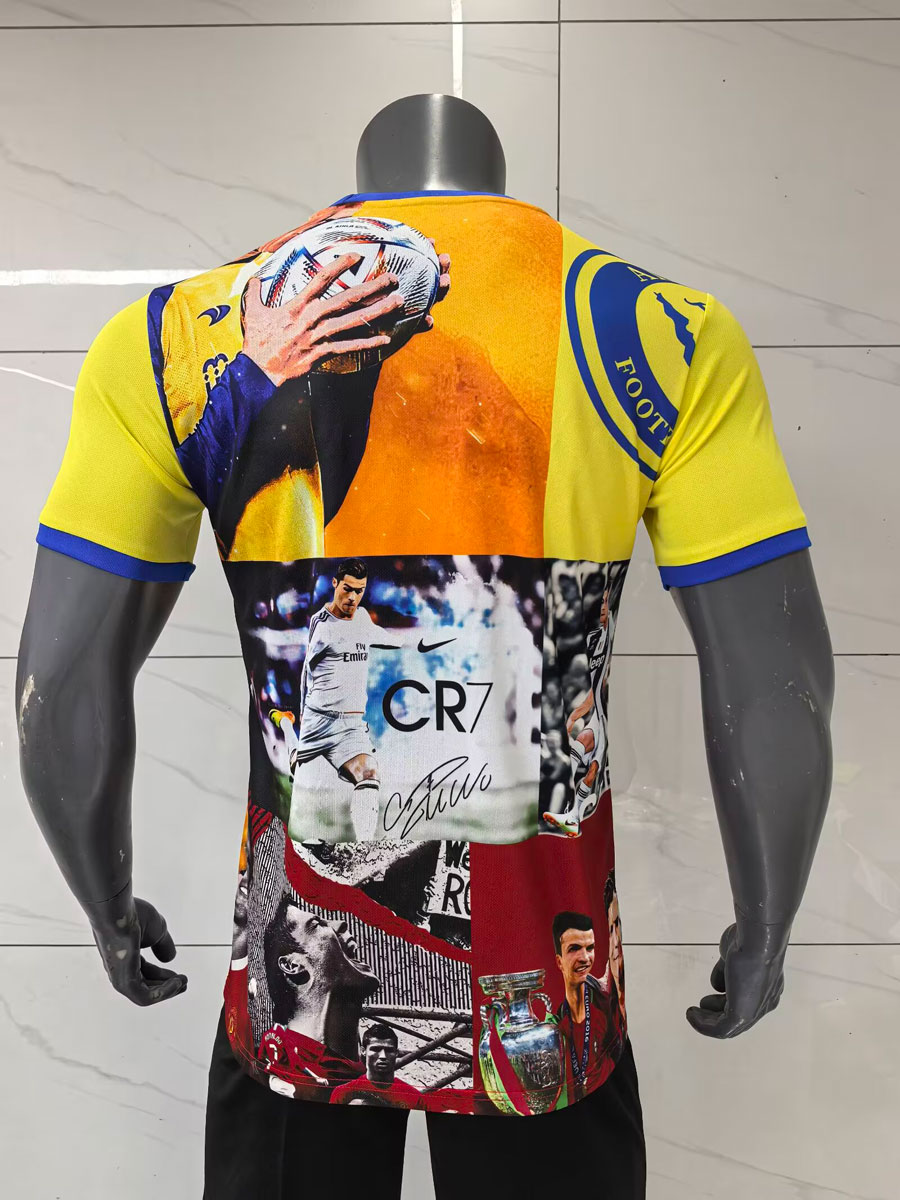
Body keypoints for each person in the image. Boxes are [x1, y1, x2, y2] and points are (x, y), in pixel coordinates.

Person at [330, 1023, 422, 1106]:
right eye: (376, 1049)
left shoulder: (415, 1097)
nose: (383, 1056)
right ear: (363, 1051)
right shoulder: (342, 1093)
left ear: (396, 1053)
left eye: (389, 1050)